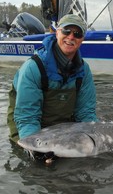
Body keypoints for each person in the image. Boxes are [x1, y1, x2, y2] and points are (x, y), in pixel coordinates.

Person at [7, 14, 98, 144]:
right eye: (66, 31)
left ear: (82, 39)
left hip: (61, 130)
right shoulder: (33, 67)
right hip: (27, 127)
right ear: (57, 33)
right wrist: (35, 149)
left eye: (77, 34)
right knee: (33, 161)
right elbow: (27, 117)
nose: (71, 37)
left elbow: (86, 114)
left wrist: (94, 138)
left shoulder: (83, 70)